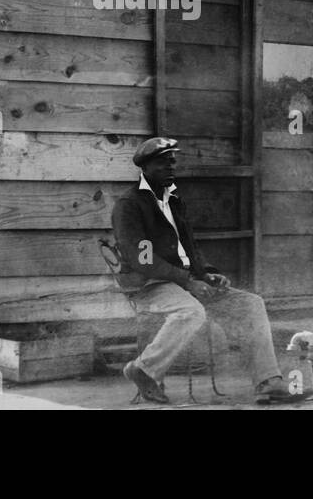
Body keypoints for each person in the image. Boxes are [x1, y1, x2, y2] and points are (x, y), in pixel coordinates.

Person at [112, 137, 293, 404]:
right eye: (163, 162)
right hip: (148, 285)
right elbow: (144, 260)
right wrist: (188, 281)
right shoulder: (130, 205)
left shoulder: (173, 199)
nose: (171, 166)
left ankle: (268, 382)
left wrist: (206, 272)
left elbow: (188, 246)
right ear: (146, 167)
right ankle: (144, 370)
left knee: (250, 303)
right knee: (191, 311)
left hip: (184, 281)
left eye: (173, 160)